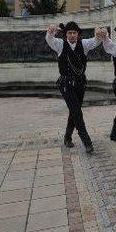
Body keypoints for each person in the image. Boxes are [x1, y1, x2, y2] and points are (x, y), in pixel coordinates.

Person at [46, 22, 103, 153]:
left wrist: (98, 31)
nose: (72, 35)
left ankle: (67, 137)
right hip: (66, 84)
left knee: (74, 111)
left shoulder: (84, 44)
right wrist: (51, 31)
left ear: (78, 34)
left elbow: (96, 40)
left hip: (80, 84)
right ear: (66, 34)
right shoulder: (60, 44)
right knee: (77, 111)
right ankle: (87, 142)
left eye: (74, 32)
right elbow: (49, 39)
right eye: (69, 33)